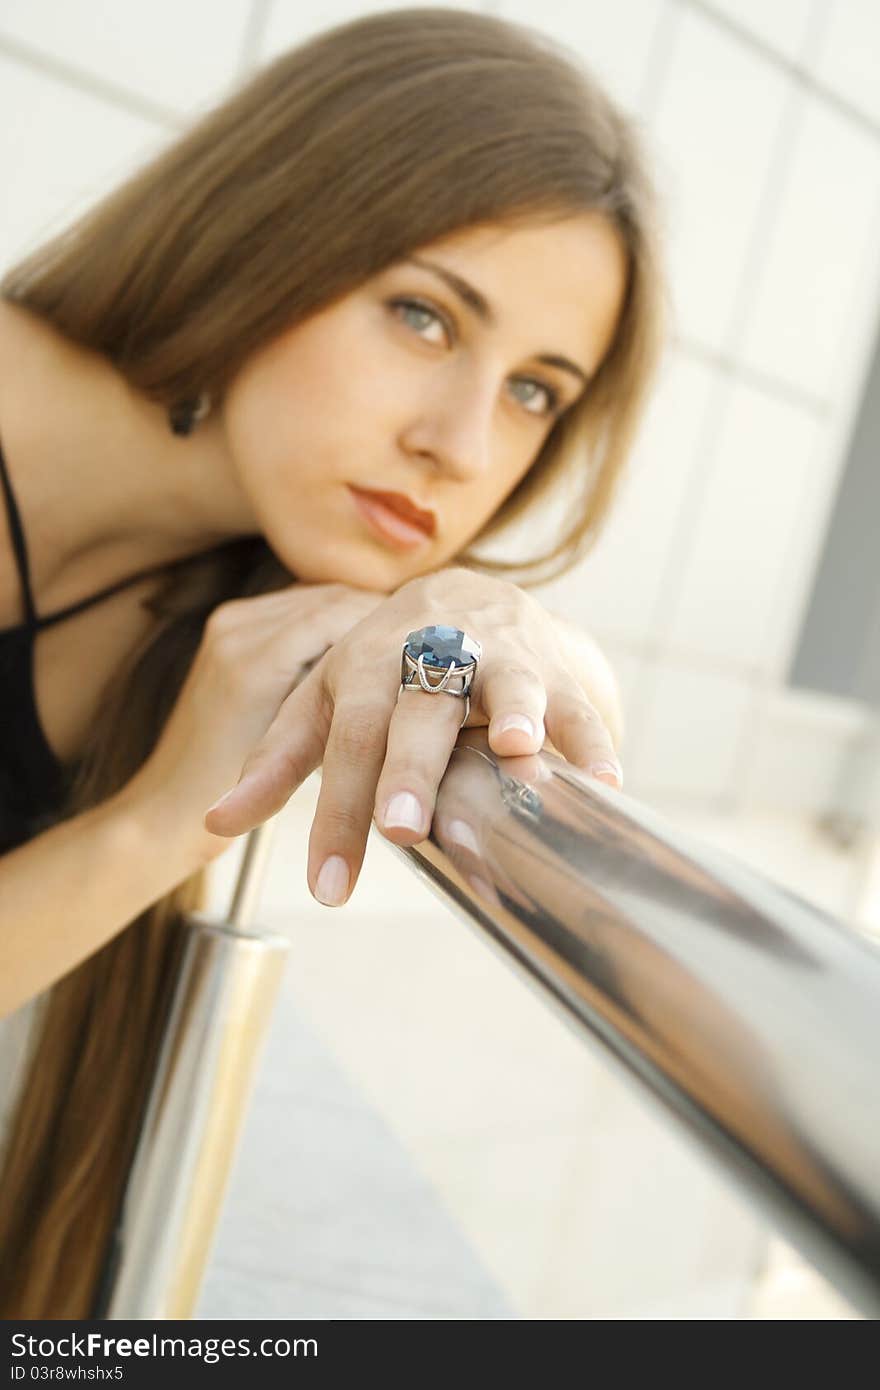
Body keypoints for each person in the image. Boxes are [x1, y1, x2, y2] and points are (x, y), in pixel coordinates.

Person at [0, 7, 664, 1317]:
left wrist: (508, 620)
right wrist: (151, 826)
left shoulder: (243, 590)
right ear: (272, 232)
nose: (463, 444)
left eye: (537, 389)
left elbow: (563, 693)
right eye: (422, 313)